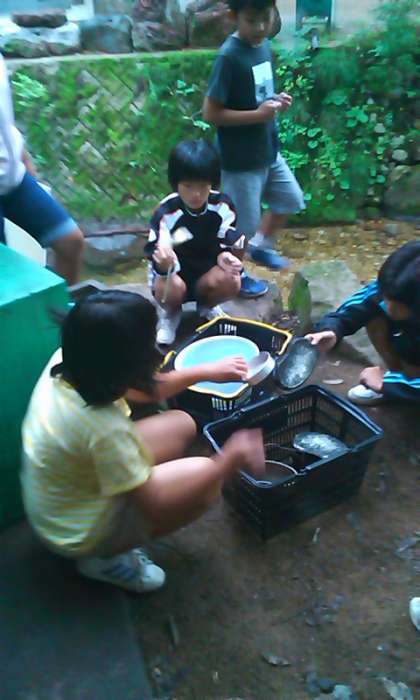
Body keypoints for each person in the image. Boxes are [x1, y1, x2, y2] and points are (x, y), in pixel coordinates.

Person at [21, 290, 264, 594]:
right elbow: (153, 503)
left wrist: (206, 372)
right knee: (206, 480)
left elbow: (142, 391)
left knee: (181, 424)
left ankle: (110, 532)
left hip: (64, 493)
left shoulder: (76, 359)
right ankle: (103, 559)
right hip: (72, 531)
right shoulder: (104, 429)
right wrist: (228, 460)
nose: (155, 352)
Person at [202, 0, 305, 299]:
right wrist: (257, 115)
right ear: (234, 17)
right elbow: (211, 113)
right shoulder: (229, 56)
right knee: (241, 227)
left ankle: (260, 247)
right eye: (251, 20)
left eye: (265, 18)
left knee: (290, 199)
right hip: (240, 160)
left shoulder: (263, 46)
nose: (260, 27)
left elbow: (258, 96)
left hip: (267, 150)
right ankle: (235, 276)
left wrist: (276, 101)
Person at [144, 138, 244, 345]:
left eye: (202, 186)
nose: (196, 194)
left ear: (212, 182)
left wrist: (226, 257)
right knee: (170, 284)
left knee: (232, 279)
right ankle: (171, 314)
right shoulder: (167, 212)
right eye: (188, 186)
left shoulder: (222, 206)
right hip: (175, 273)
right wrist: (164, 262)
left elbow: (226, 241)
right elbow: (155, 251)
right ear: (176, 183)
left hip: (205, 273)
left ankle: (207, 306)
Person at [0, 53, 84, 285]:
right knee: (5, 277)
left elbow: (4, 118)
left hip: (13, 176)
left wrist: (23, 155)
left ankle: (62, 307)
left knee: (70, 241)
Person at [306, 241, 420, 406]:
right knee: (373, 314)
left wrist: (386, 384)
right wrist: (332, 329)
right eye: (387, 298)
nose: (388, 307)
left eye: (397, 304)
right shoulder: (393, 286)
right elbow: (359, 304)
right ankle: (400, 381)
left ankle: (402, 386)